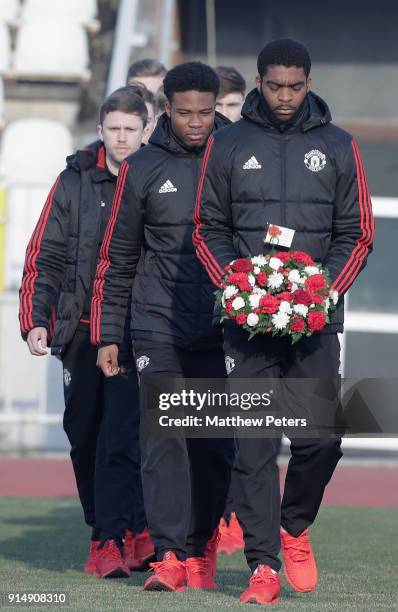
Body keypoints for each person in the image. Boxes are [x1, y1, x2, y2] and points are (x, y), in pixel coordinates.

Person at [194, 38, 374, 605]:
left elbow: (358, 232)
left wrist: (323, 293)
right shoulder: (226, 144)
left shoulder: (341, 146)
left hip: (314, 320)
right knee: (252, 445)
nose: (286, 96)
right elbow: (206, 227)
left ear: (309, 83)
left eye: (296, 86)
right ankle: (263, 567)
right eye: (276, 86)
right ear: (258, 82)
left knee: (321, 439)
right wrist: (237, 283)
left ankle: (293, 527)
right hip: (245, 323)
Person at [92, 62, 234, 593]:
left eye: (205, 112)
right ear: (166, 110)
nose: (196, 123)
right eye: (185, 112)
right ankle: (170, 554)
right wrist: (110, 331)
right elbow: (119, 255)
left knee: (215, 446)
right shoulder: (143, 167)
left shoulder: (239, 157)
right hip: (157, 324)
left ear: (216, 106)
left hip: (223, 326)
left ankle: (201, 544)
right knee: (163, 436)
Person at [19, 88, 152, 579]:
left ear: (146, 131)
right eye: (113, 129)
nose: (122, 138)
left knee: (122, 435)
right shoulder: (71, 182)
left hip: (131, 332)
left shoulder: (156, 180)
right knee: (84, 435)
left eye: (130, 130)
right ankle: (108, 526)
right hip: (76, 330)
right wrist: (36, 318)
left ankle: (114, 538)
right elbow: (44, 255)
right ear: (101, 132)